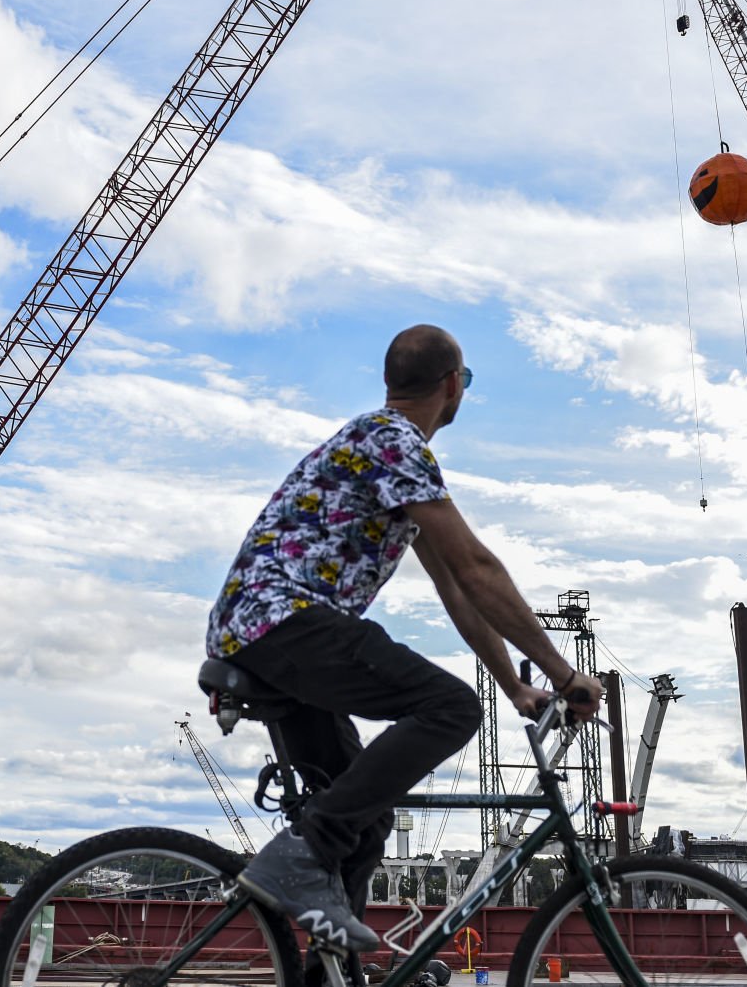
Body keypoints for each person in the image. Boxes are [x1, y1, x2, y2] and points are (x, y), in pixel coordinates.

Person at [205, 324, 605, 953]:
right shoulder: (395, 444)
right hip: (284, 622)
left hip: (262, 631)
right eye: (465, 381)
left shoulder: (380, 448)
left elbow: (456, 587)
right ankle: (300, 855)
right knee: (449, 707)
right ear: (454, 386)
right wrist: (561, 671)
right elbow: (477, 567)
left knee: (361, 818)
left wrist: (515, 687)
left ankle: (328, 965)